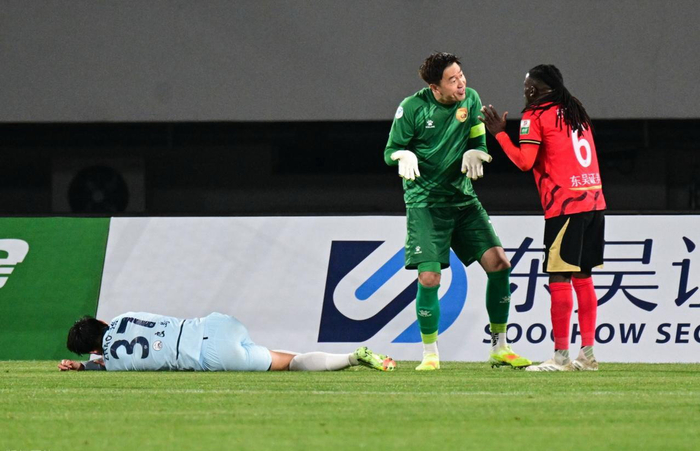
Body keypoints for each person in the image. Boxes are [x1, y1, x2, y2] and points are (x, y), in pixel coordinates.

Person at [384, 52, 531, 371]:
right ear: (435, 88)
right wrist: (402, 155)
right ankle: (430, 354)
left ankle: (500, 348)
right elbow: (390, 150)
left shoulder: (471, 99)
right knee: (429, 277)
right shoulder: (412, 107)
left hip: (463, 201)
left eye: (461, 75)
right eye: (452, 80)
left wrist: (477, 150)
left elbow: (477, 135)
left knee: (500, 264)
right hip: (426, 205)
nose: (461, 83)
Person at [479, 64, 605, 372]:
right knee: (583, 276)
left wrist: (499, 134)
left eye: (526, 87)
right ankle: (587, 355)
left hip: (565, 205)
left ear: (534, 90)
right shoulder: (575, 111)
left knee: (559, 277)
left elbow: (525, 162)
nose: (524, 92)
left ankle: (560, 357)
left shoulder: (535, 116)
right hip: (593, 200)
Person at [58, 311, 396, 372]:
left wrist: (83, 366)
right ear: (103, 322)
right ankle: (348, 356)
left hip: (211, 356)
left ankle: (352, 358)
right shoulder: (125, 316)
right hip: (216, 324)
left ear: (94, 350)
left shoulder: (114, 363)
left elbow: (107, 361)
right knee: (288, 355)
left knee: (289, 364)